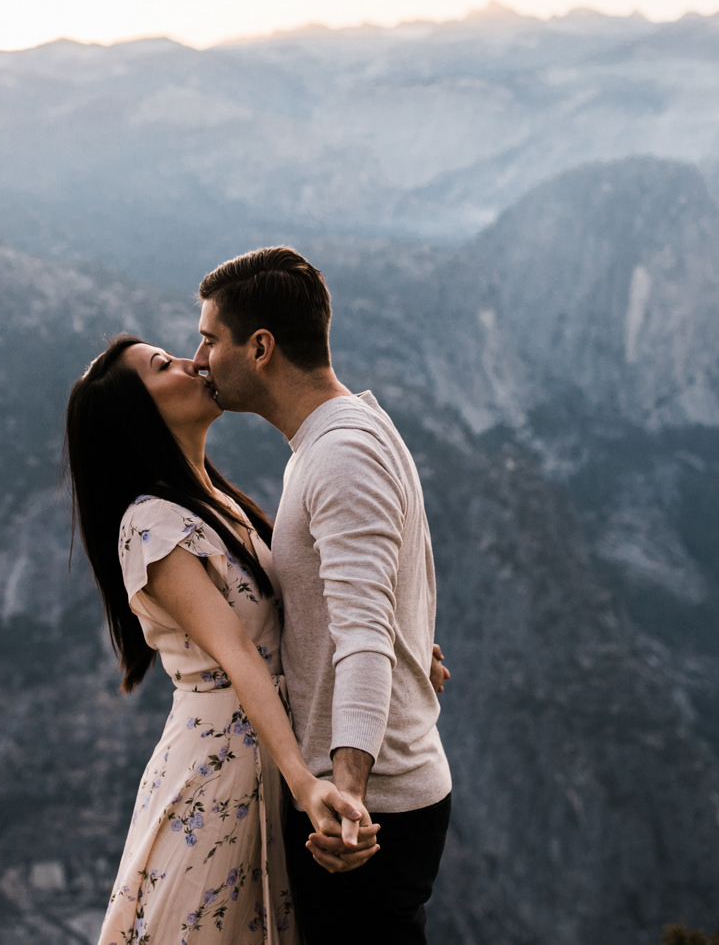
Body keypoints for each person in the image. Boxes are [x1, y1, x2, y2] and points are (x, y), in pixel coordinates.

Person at [67, 334, 372, 944]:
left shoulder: (216, 500)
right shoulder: (152, 526)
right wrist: (304, 782)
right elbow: (237, 654)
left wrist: (393, 655)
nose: (195, 361)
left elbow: (297, 618)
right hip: (220, 770)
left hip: (268, 752)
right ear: (140, 413)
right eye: (165, 366)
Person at [192, 247, 454, 945]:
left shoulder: (339, 452)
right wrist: (411, 648)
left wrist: (347, 801)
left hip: (374, 810)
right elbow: (382, 595)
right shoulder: (342, 434)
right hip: (382, 797)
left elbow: (363, 632)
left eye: (210, 339)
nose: (200, 358)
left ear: (261, 347)